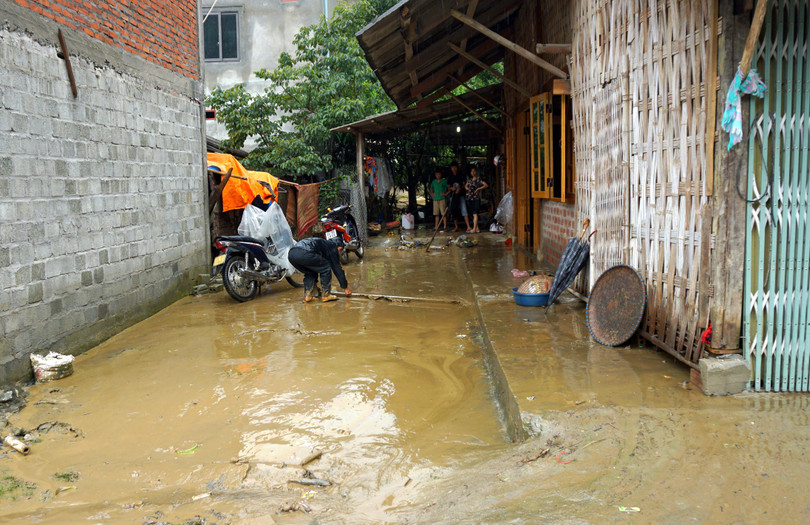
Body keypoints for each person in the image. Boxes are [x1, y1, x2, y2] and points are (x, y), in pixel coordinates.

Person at [287, 236, 351, 303]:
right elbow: (337, 269)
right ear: (338, 246)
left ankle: (308, 295)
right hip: (304, 252)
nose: (339, 252)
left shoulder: (323, 243)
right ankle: (326, 295)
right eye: (340, 250)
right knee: (326, 267)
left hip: (291, 255)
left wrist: (314, 286)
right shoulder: (332, 247)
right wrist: (345, 287)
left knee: (310, 272)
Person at [447, 161, 472, 233]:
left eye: (455, 167)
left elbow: (464, 185)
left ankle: (468, 226)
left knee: (464, 210)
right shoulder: (450, 177)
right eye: (452, 167)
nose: (454, 169)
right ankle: (456, 227)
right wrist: (452, 188)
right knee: (454, 210)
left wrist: (459, 189)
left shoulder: (461, 175)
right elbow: (448, 187)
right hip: (453, 196)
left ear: (457, 167)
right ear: (451, 168)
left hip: (461, 195)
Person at [465, 166, 488, 233]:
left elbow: (486, 185)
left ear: (476, 172)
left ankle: (474, 229)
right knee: (472, 214)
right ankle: (477, 228)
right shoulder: (470, 180)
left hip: (475, 198)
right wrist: (468, 189)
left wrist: (478, 189)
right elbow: (465, 186)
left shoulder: (478, 179)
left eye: (474, 171)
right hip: (470, 198)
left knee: (475, 213)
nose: (473, 172)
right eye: (472, 171)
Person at [429, 168, 450, 232]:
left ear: (441, 174)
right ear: (435, 175)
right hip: (435, 199)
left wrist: (446, 193)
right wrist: (432, 193)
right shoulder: (434, 181)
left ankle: (445, 226)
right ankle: (436, 226)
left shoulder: (444, 181)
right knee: (436, 214)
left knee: (443, 213)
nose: (438, 175)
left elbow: (449, 188)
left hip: (442, 198)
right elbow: (431, 188)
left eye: (439, 174)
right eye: (437, 174)